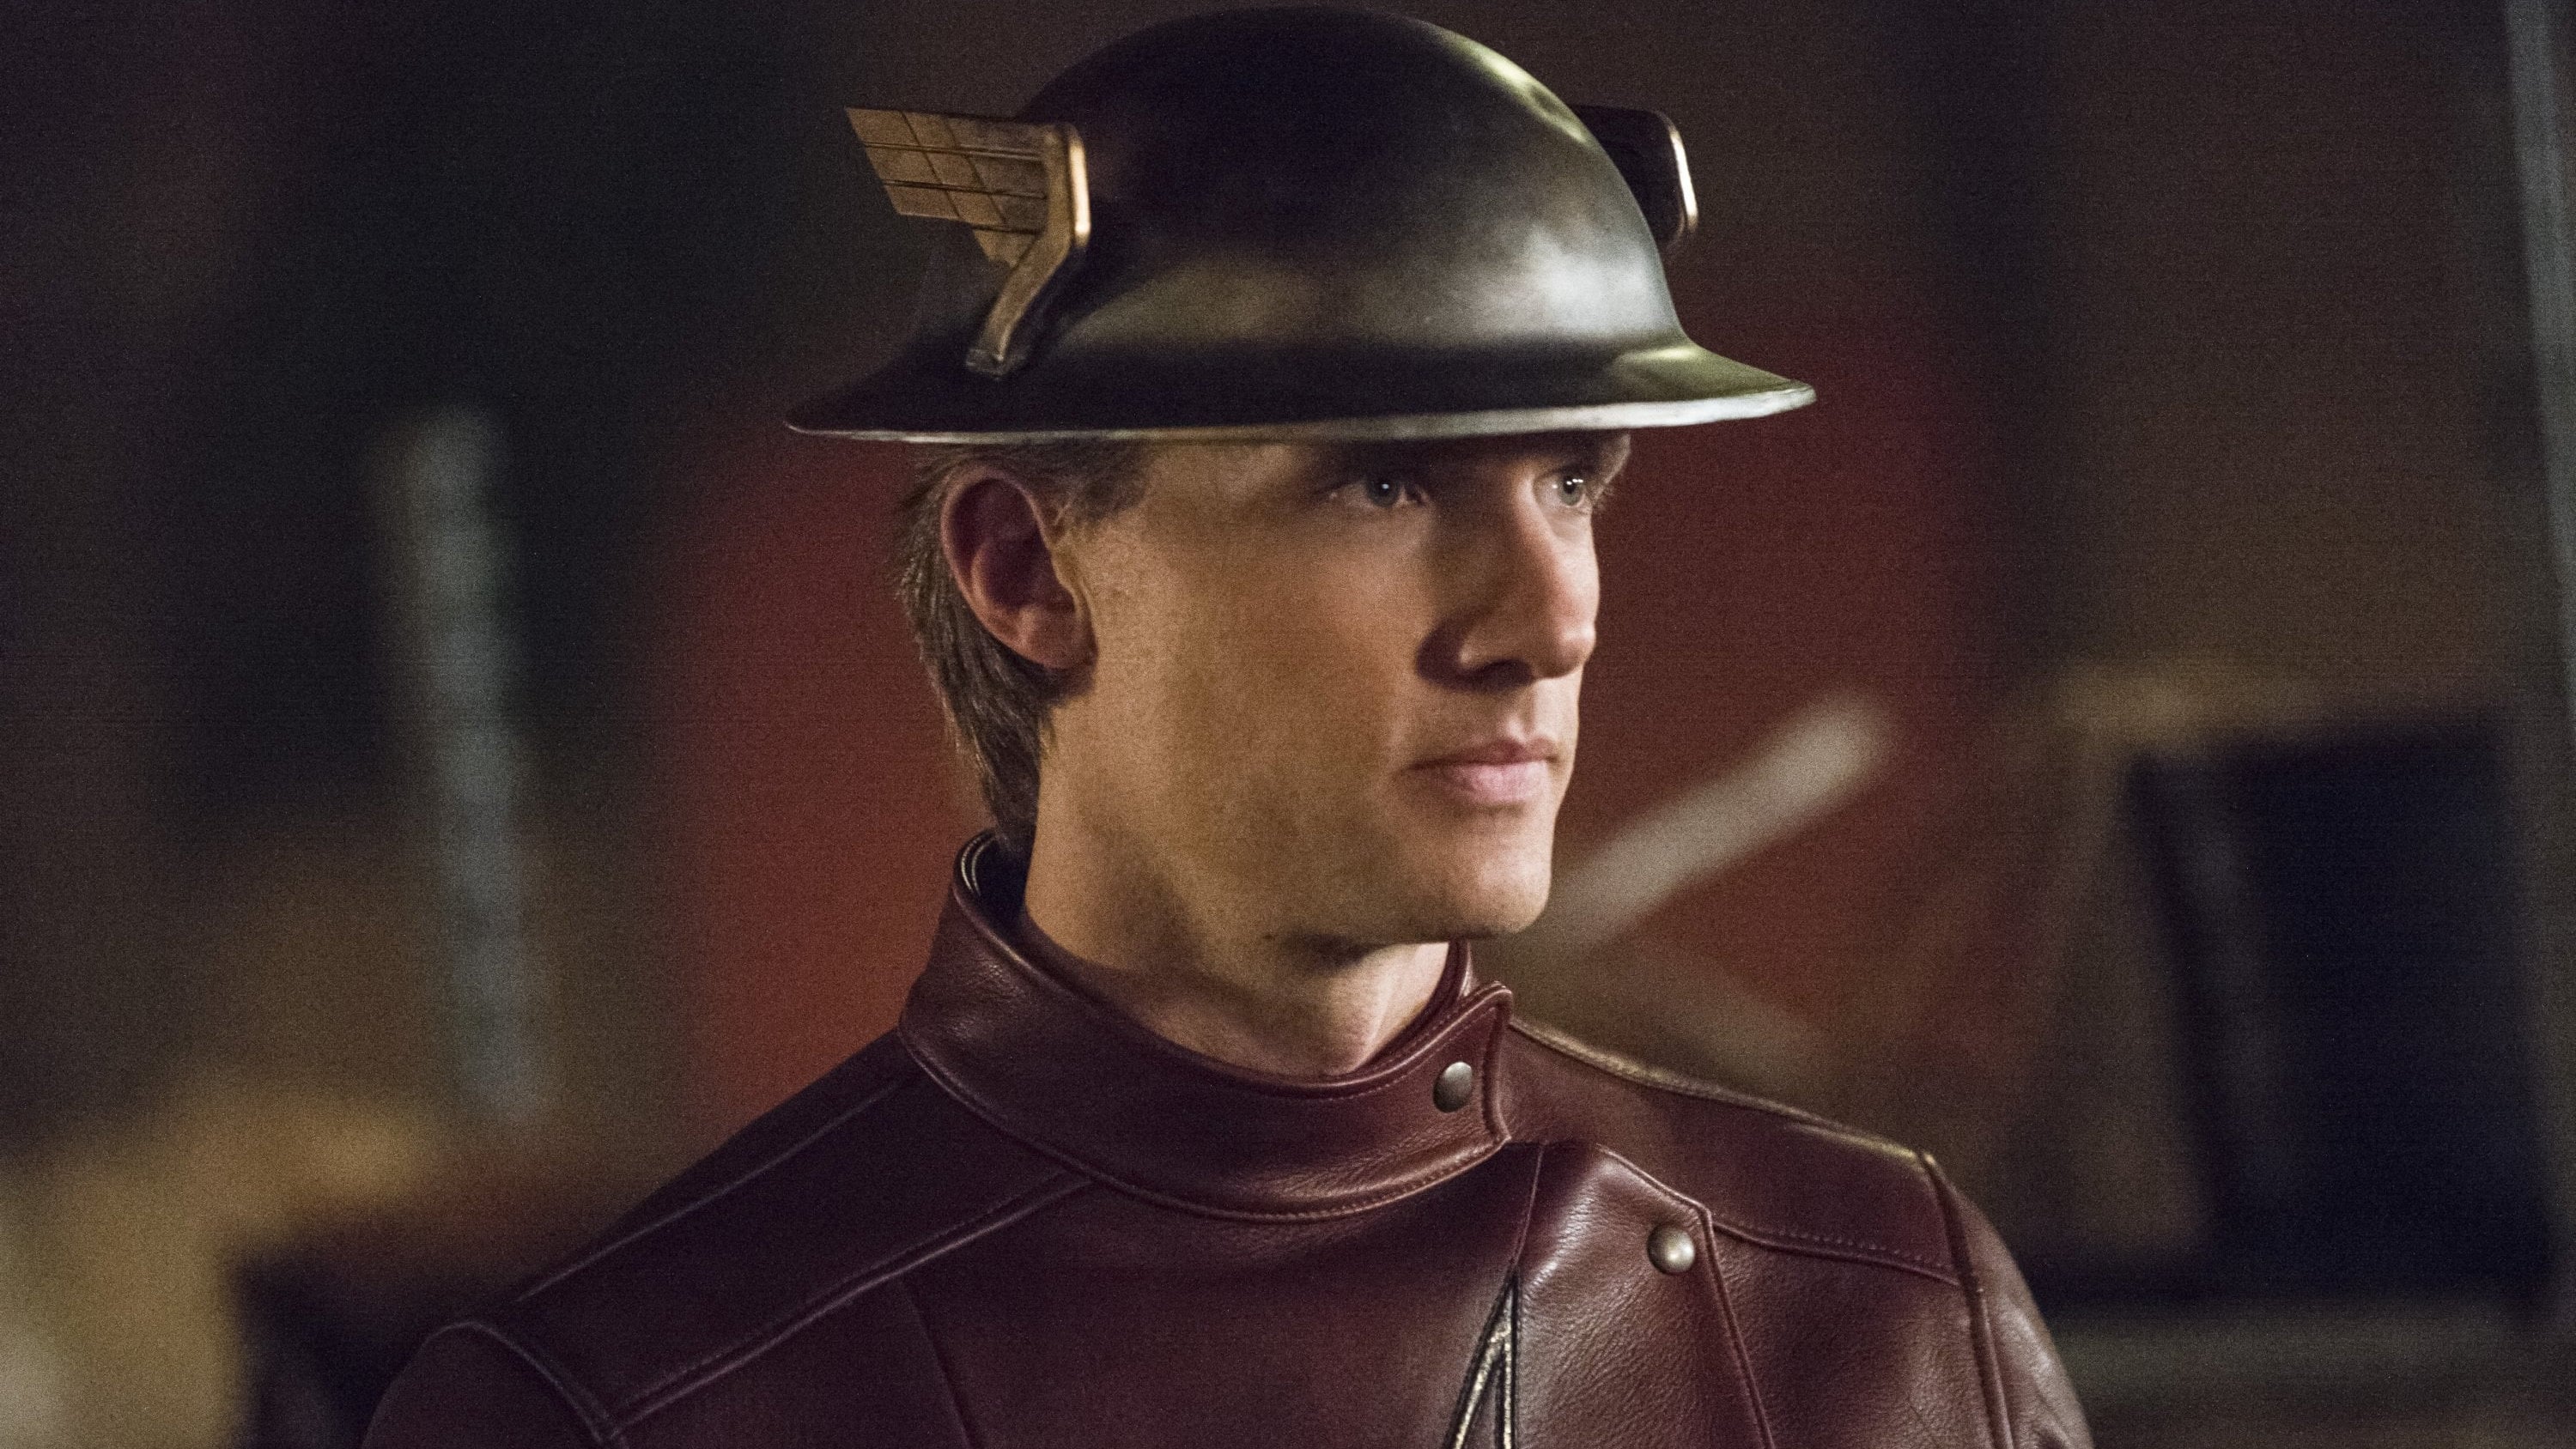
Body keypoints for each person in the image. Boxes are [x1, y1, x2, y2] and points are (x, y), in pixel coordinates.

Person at [367, 9, 2092, 1446]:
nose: (1550, 619)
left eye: (1573, 480)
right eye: (1385, 483)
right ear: (1026, 569)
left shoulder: (1872, 1314)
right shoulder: (628, 1402)